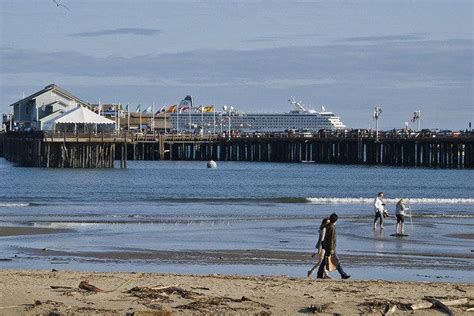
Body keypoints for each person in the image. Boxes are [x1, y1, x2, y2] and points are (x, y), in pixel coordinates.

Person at [317, 213, 350, 280]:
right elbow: (332, 239)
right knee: (336, 260)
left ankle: (319, 274)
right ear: (336, 220)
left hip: (327, 246)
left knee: (324, 261)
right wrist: (332, 249)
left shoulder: (328, 226)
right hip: (330, 247)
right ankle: (343, 274)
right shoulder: (332, 227)